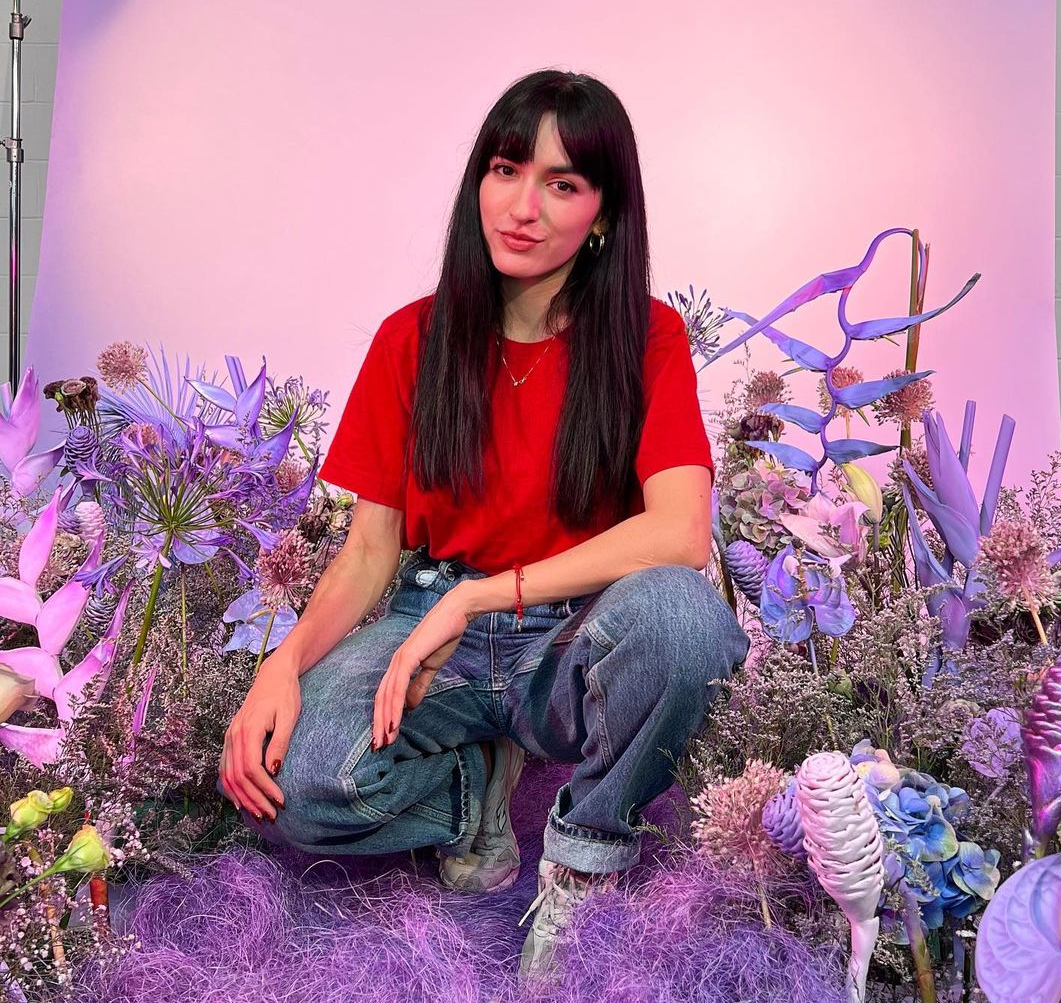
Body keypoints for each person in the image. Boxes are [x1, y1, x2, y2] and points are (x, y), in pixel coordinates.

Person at [218, 68, 749, 985]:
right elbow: (369, 550)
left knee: (681, 616)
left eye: (562, 184)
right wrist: (284, 663)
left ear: (604, 215)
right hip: (434, 632)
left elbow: (679, 534)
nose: (523, 207)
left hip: (574, 637)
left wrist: (481, 599)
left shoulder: (648, 339)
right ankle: (475, 788)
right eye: (507, 171)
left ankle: (583, 860)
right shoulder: (410, 340)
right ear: (479, 181)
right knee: (297, 789)